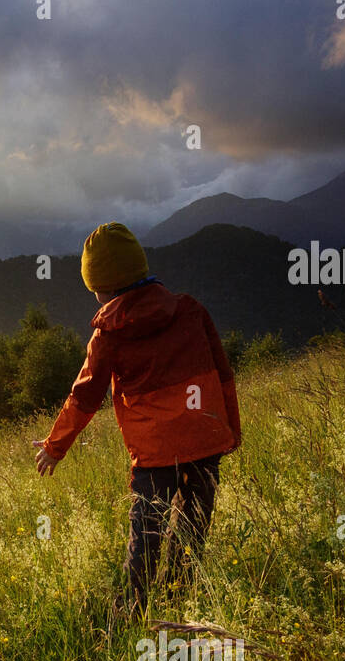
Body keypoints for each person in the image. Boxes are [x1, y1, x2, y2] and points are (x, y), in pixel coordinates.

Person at [32, 222, 241, 617]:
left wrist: (54, 447)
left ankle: (132, 616)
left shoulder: (108, 334)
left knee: (145, 536)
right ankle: (180, 604)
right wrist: (230, 430)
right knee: (193, 527)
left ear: (101, 285)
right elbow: (223, 373)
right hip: (205, 437)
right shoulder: (191, 310)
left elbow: (85, 396)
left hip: (154, 453)